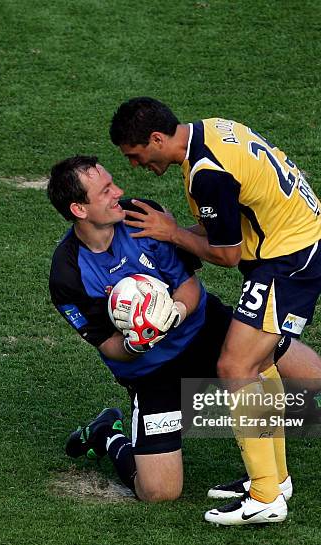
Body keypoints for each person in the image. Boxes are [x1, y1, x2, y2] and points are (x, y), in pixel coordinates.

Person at [109, 97, 321, 522]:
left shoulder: (207, 175)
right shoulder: (211, 130)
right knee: (257, 364)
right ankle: (275, 480)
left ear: (155, 139)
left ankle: (265, 499)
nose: (135, 165)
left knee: (235, 366)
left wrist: (171, 232)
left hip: (289, 262)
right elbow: (228, 220)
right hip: (297, 247)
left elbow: (225, 254)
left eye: (135, 155)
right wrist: (173, 233)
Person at [47, 155, 295, 525]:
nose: (119, 192)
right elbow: (109, 346)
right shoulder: (67, 274)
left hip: (205, 330)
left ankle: (261, 466)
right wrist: (137, 342)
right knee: (160, 493)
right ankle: (108, 435)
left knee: (311, 375)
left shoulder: (141, 216)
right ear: (79, 209)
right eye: (106, 191)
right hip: (153, 372)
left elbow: (188, 285)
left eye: (113, 183)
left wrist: (174, 313)